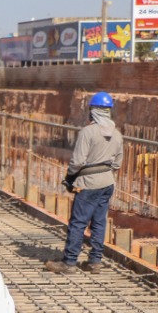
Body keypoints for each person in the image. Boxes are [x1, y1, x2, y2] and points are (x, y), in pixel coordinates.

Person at [46, 91, 124, 275]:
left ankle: (70, 262)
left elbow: (77, 162)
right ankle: (95, 262)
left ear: (93, 111)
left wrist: (70, 177)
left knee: (78, 223)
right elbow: (117, 163)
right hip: (107, 183)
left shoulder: (88, 132)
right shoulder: (117, 134)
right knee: (99, 222)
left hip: (88, 184)